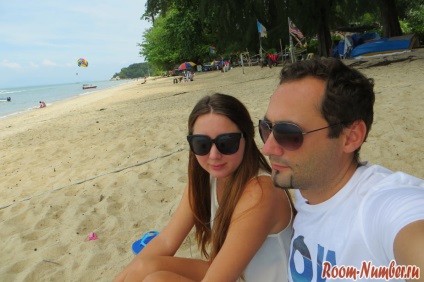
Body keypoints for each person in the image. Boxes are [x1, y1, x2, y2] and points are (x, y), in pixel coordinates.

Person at [259, 58, 424, 281]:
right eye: (266, 128)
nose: (267, 147)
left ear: (351, 137)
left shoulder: (379, 208)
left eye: (289, 134)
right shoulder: (309, 187)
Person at [114, 93, 294, 281]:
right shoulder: (204, 179)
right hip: (232, 275)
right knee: (145, 267)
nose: (214, 155)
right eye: (202, 144)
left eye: (226, 143)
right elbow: (166, 241)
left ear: (246, 139)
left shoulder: (260, 192)